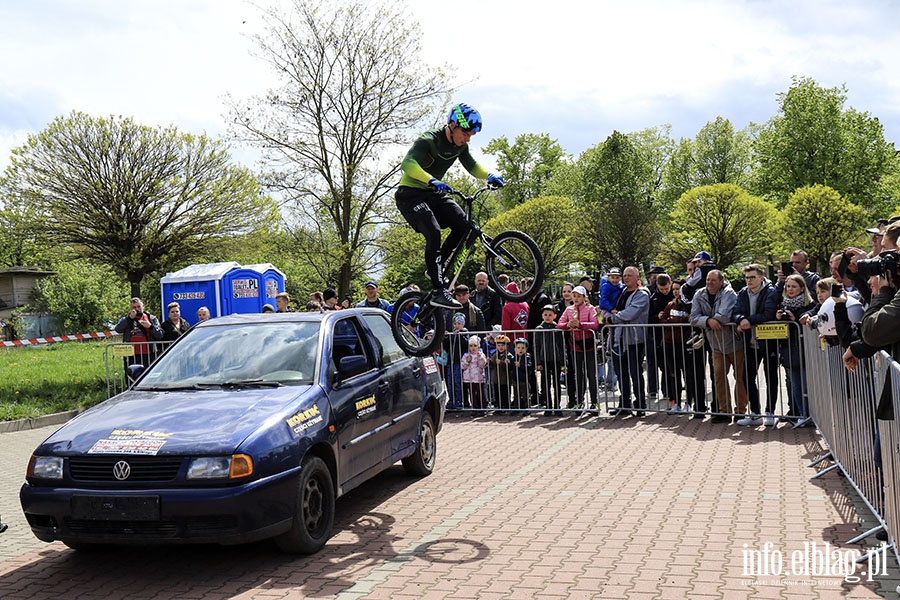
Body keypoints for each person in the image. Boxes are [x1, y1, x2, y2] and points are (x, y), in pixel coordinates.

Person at [395, 103, 504, 309]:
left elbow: (471, 165)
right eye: (465, 133)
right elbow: (408, 164)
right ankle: (438, 290)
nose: (468, 138)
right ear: (452, 125)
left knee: (464, 225)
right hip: (410, 195)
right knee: (433, 231)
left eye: (471, 135)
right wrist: (431, 180)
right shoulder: (428, 140)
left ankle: (436, 268)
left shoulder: (460, 146)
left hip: (433, 193)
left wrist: (489, 175)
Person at [690, 269, 747, 424]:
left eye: (713, 280)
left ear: (721, 282)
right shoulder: (699, 294)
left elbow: (723, 315)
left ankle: (741, 410)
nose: (709, 283)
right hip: (714, 343)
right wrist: (708, 321)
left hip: (735, 343)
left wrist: (711, 320)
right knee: (719, 378)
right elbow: (693, 318)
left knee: (740, 377)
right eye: (708, 280)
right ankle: (724, 411)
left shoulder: (729, 293)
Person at [732, 264, 780, 427]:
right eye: (747, 277)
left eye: (752, 277)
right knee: (747, 376)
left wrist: (748, 321)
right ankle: (754, 413)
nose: (749, 280)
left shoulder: (770, 292)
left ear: (761, 278)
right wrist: (740, 320)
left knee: (770, 377)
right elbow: (736, 311)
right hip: (750, 342)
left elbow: (769, 313)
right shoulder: (743, 293)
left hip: (768, 341)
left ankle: (770, 412)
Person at [602, 267, 650, 417]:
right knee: (620, 372)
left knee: (635, 373)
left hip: (634, 339)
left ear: (637, 278)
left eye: (630, 275)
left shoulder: (642, 294)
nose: (626, 278)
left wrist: (611, 318)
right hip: (618, 338)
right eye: (624, 275)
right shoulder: (621, 292)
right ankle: (625, 403)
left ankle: (641, 403)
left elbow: (630, 313)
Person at [775, 273, 817, 426]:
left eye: (794, 286)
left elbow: (810, 323)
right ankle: (801, 414)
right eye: (788, 286)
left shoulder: (810, 305)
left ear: (801, 288)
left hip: (806, 350)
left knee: (807, 385)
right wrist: (778, 318)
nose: (790, 289)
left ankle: (810, 415)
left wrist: (795, 320)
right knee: (795, 385)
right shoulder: (782, 305)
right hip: (788, 350)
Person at [558, 285, 600, 413]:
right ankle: (579, 402)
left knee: (591, 375)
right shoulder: (569, 310)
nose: (576, 298)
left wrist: (581, 325)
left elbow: (595, 324)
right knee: (578, 375)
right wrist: (567, 324)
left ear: (584, 297)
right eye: (574, 296)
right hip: (575, 346)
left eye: (578, 296)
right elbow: (559, 324)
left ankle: (594, 403)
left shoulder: (590, 308)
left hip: (589, 346)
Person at [533, 304, 566, 416]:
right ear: (542, 316)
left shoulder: (557, 329)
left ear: (555, 316)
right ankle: (548, 406)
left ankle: (557, 406)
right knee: (545, 384)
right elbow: (536, 346)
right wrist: (538, 362)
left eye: (550, 315)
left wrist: (563, 362)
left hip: (556, 359)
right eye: (545, 314)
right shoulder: (539, 329)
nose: (548, 317)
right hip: (544, 360)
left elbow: (562, 346)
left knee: (556, 384)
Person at [646, 273, 674, 404]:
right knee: (654, 363)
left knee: (667, 366)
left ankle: (668, 391)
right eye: (661, 289)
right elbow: (648, 318)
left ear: (671, 284)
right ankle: (652, 389)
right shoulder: (653, 298)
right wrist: (657, 316)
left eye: (666, 289)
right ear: (657, 286)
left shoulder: (675, 296)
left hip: (671, 335)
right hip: (656, 335)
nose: (664, 291)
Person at [114, 297, 164, 368]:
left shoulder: (151, 318)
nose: (137, 309)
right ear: (131, 308)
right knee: (131, 375)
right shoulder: (126, 319)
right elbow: (118, 329)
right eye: (134, 307)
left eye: (139, 306)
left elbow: (160, 335)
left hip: (148, 353)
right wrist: (129, 318)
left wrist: (150, 327)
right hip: (131, 354)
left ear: (143, 307)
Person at [460, 335, 487, 413]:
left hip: (479, 378)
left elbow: (483, 365)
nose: (473, 348)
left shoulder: (481, 354)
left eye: (475, 346)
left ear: (478, 346)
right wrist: (467, 361)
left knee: (480, 394)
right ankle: (474, 408)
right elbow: (462, 366)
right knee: (472, 394)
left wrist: (480, 358)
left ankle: (482, 408)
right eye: (471, 346)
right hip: (469, 378)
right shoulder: (466, 355)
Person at [489, 334, 514, 411]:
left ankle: (506, 406)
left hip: (505, 379)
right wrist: (489, 361)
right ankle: (498, 405)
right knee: (497, 393)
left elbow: (510, 366)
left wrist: (503, 362)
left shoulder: (508, 355)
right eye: (498, 345)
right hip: (497, 379)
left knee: (505, 393)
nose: (500, 347)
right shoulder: (495, 354)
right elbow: (492, 363)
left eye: (502, 345)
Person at [511, 338, 536, 415]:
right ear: (515, 349)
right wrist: (509, 363)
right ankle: (516, 408)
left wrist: (521, 365)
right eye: (518, 348)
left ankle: (527, 408)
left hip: (524, 380)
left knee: (526, 395)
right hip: (516, 379)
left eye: (523, 348)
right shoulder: (513, 357)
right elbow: (511, 367)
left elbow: (528, 366)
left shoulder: (527, 357)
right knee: (516, 395)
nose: (520, 350)